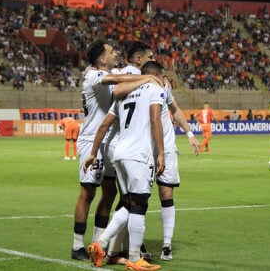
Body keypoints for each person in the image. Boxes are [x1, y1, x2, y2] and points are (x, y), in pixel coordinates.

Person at [109, 48, 200, 263]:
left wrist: (189, 134)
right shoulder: (133, 83)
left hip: (165, 147)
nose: (153, 60)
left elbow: (174, 109)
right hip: (143, 150)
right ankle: (134, 248)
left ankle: (166, 245)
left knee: (166, 195)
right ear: (139, 61)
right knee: (139, 200)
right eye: (150, 57)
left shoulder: (162, 84)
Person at [70, 40, 152, 261]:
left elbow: (121, 74)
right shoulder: (93, 76)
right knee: (87, 192)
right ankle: (77, 245)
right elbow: (117, 79)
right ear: (102, 59)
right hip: (91, 139)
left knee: (110, 193)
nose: (115, 53)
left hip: (111, 141)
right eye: (111, 51)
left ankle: (98, 244)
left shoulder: (105, 71)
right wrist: (148, 78)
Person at [85, 60, 165, 270]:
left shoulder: (126, 92)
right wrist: (162, 153)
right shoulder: (155, 88)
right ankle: (134, 258)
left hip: (120, 153)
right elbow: (156, 120)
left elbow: (105, 123)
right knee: (139, 205)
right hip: (139, 154)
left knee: (128, 203)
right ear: (158, 75)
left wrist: (93, 152)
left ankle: (99, 244)